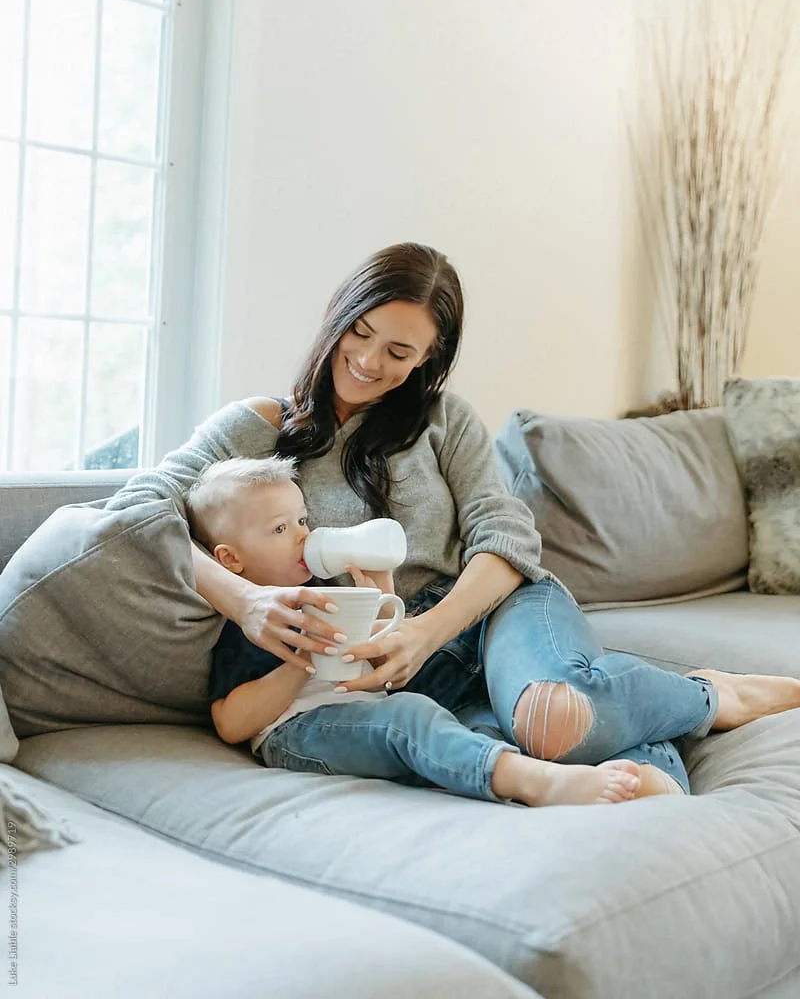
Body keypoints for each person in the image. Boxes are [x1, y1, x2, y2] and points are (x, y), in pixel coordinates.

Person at [140, 242, 800, 799]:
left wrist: (426, 630)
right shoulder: (259, 432)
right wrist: (247, 600)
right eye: (360, 332)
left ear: (429, 357)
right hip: (410, 673)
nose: (370, 362)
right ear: (337, 317)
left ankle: (712, 697)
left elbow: (505, 536)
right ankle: (655, 769)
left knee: (551, 708)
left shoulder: (443, 421)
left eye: (400, 352)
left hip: (490, 612)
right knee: (542, 735)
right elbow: (142, 511)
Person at [185, 455, 643, 806]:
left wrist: (381, 603)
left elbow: (376, 657)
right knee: (408, 718)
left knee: (468, 721)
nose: (303, 536)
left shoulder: (324, 589)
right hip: (298, 733)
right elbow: (230, 723)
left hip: (364, 712)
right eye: (280, 528)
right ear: (231, 560)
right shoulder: (246, 620)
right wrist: (300, 663)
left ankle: (561, 769)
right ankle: (536, 783)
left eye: (303, 520)